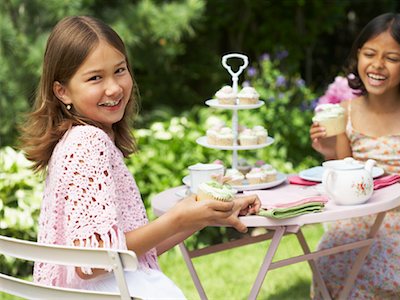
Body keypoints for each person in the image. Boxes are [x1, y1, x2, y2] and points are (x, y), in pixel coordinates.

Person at [19, 16, 260, 299]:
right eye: (95, 77)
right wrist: (179, 216)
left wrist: (202, 216)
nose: (114, 88)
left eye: (119, 70)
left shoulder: (78, 141)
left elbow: (126, 254)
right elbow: (92, 262)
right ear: (62, 91)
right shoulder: (87, 143)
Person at [309, 13, 400, 299]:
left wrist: (385, 182)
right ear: (359, 56)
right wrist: (329, 153)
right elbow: (347, 181)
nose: (378, 65)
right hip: (360, 216)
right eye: (370, 54)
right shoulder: (347, 112)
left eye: (392, 58)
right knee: (326, 264)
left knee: (377, 274)